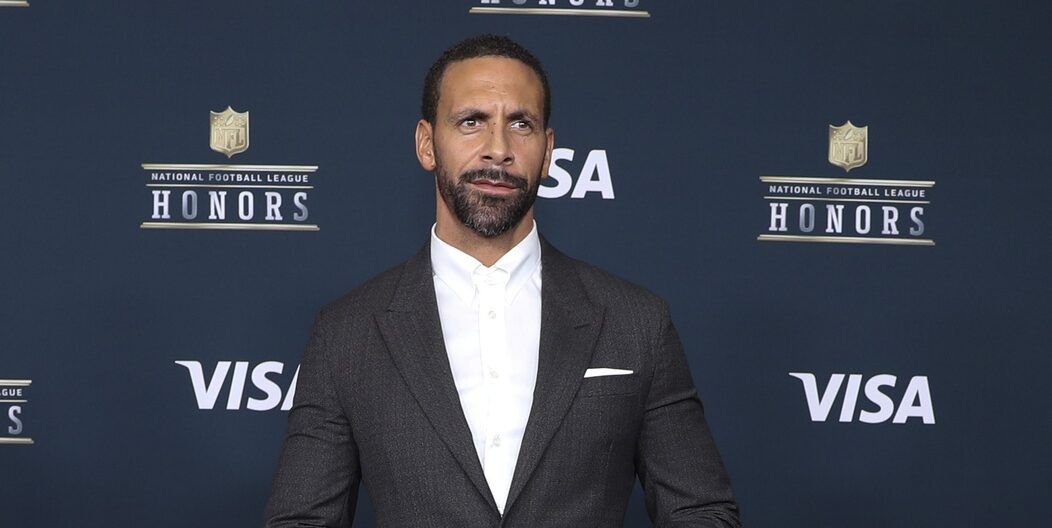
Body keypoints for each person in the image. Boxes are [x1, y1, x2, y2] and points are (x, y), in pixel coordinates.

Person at [265, 34, 741, 527]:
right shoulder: (347, 333)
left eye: (521, 125)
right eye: (471, 122)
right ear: (427, 144)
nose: (498, 149)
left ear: (548, 149)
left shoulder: (636, 322)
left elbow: (702, 512)